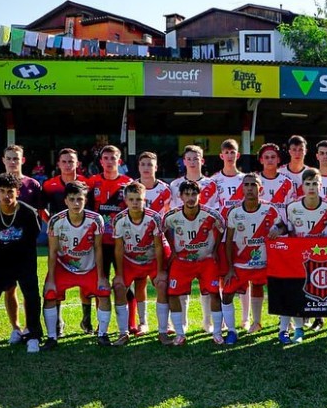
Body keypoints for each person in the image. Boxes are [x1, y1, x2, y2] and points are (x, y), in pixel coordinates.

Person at [0, 173, 42, 355]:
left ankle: (34, 336)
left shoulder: (28, 212)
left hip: (24, 261)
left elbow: (32, 239)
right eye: (2, 191)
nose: (7, 195)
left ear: (18, 192)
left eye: (10, 191)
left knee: (32, 296)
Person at [0, 145, 45, 344]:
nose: (13, 162)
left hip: (26, 250)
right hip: (3, 251)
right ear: (3, 160)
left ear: (23, 160)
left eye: (16, 158)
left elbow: (40, 213)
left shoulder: (33, 185)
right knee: (9, 289)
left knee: (29, 290)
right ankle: (16, 328)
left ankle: (31, 328)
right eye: (9, 158)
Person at [43, 181, 110, 349]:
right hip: (64, 267)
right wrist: (50, 279)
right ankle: (52, 337)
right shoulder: (56, 221)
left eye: (80, 199)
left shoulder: (96, 219)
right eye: (72, 199)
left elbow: (98, 248)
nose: (76, 203)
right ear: (65, 201)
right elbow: (52, 252)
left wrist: (102, 277)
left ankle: (102, 335)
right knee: (49, 294)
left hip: (89, 267)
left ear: (85, 200)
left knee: (104, 292)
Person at [222, 173, 285, 343]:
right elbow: (228, 241)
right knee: (227, 294)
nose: (250, 188)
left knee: (274, 290)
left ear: (260, 188)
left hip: (264, 264)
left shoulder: (270, 210)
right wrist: (229, 268)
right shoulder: (234, 212)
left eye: (253, 185)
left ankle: (266, 324)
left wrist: (277, 230)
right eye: (247, 185)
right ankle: (232, 331)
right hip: (240, 265)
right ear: (242, 188)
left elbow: (283, 227)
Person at [163, 180, 224, 346]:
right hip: (182, 261)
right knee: (173, 294)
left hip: (206, 261)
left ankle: (217, 333)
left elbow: (222, 229)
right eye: (187, 194)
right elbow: (163, 230)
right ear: (180, 196)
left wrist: (215, 249)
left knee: (214, 293)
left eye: (193, 194)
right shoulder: (171, 216)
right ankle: (180, 334)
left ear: (199, 195)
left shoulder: (211, 215)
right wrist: (173, 251)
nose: (190, 198)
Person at [282, 168, 327, 344]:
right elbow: (288, 229)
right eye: (308, 184)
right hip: (301, 258)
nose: (312, 187)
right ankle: (298, 330)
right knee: (298, 293)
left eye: (315, 183)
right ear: (302, 186)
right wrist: (276, 230)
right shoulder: (292, 207)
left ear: (321, 185)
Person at [168, 144, 219, 333]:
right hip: (183, 242)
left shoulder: (212, 184)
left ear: (202, 160)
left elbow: (215, 214)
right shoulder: (174, 185)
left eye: (196, 158)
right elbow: (172, 216)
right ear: (184, 161)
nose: (192, 161)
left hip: (206, 240)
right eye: (188, 158)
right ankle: (182, 324)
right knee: (182, 286)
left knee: (207, 285)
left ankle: (209, 323)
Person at [112, 182, 167, 345]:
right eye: (132, 199)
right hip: (130, 260)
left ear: (145, 200)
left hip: (151, 259)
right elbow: (119, 250)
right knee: (119, 287)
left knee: (162, 285)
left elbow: (158, 247)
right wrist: (120, 275)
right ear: (125, 200)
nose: (135, 203)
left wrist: (161, 272)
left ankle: (163, 331)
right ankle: (123, 332)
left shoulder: (154, 217)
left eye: (139, 199)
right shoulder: (119, 219)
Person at [86, 145, 133, 335]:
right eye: (106, 158)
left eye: (113, 158)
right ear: (101, 161)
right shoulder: (92, 182)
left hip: (122, 242)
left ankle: (131, 323)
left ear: (119, 161)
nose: (109, 161)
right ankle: (101, 323)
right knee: (101, 282)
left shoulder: (128, 183)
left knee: (125, 283)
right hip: (100, 244)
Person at [210, 139, 252, 329]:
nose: (229, 155)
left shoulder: (246, 180)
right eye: (226, 152)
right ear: (221, 156)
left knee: (245, 277)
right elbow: (210, 208)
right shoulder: (213, 180)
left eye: (232, 152)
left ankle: (245, 318)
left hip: (242, 236)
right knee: (223, 277)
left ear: (238, 155)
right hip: (222, 236)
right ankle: (226, 321)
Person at [258, 143, 296, 220]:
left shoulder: (287, 182)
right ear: (261, 160)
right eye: (266, 157)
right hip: (259, 228)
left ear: (278, 159)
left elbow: (292, 210)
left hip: (281, 229)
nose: (270, 160)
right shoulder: (255, 181)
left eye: (273, 157)